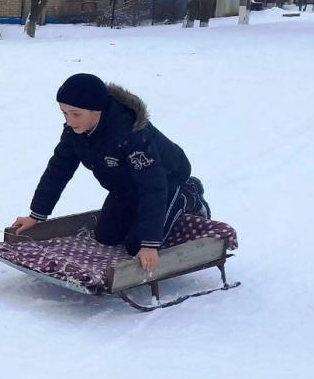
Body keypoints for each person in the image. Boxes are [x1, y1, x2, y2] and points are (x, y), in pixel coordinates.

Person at [12, 73, 211, 273]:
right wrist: (37, 215)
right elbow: (58, 170)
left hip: (166, 181)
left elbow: (153, 186)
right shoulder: (75, 132)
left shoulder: (130, 133)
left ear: (96, 110)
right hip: (124, 187)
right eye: (64, 114)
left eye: (76, 114)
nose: (69, 121)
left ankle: (188, 194)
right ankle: (138, 214)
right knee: (106, 237)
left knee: (136, 247)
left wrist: (150, 243)